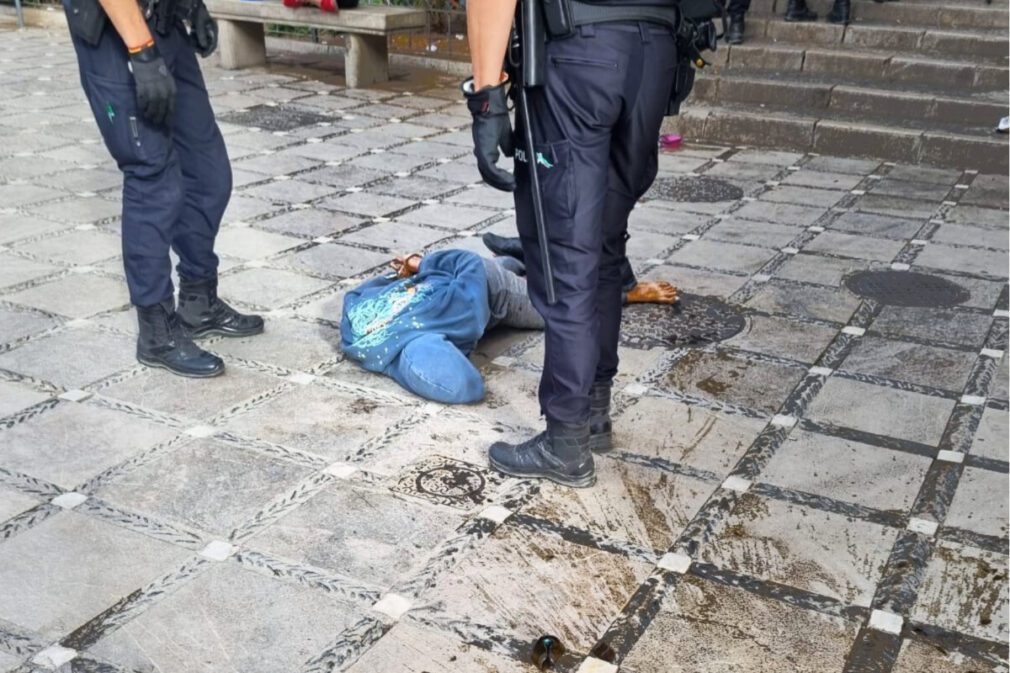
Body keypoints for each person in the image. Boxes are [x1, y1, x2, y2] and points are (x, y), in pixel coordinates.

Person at [462, 0, 694, 487]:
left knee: (567, 253)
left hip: (580, 58)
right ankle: (593, 412)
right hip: (655, 53)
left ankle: (566, 443)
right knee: (606, 245)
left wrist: (486, 98)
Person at [62, 0, 264, 378]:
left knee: (208, 173)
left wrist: (192, 7)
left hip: (166, 24)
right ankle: (156, 332)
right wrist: (141, 49)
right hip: (116, 33)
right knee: (153, 177)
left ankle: (198, 301)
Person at [340, 249, 678, 406]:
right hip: (462, 282)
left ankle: (627, 293)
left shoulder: (406, 334)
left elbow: (467, 388)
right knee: (499, 270)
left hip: (485, 286)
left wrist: (424, 263)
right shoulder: (360, 315)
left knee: (559, 310)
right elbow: (461, 386)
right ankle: (523, 254)